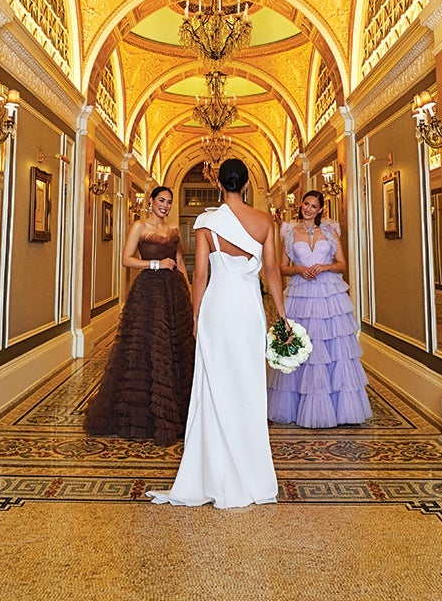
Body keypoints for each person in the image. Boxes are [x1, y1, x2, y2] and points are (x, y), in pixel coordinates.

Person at [148, 158, 291, 509]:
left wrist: (196, 316)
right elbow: (272, 270)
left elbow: (200, 275)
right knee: (248, 383)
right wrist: (282, 316)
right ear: (246, 185)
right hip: (247, 310)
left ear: (220, 185)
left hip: (217, 309)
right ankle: (251, 474)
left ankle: (211, 471)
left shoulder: (206, 223)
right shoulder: (264, 221)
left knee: (212, 385)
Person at [84, 186, 194, 446]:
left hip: (174, 293)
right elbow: (126, 259)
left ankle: (178, 411)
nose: (165, 205)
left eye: (169, 202)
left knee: (176, 349)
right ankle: (147, 414)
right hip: (148, 294)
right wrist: (155, 264)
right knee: (148, 347)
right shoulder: (139, 227)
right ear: (151, 201)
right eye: (161, 200)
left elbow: (179, 262)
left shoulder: (174, 230)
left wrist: (189, 293)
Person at [267, 191, 373, 427]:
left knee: (333, 348)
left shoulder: (331, 231)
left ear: (320, 210)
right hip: (301, 294)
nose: (308, 209)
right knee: (302, 344)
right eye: (306, 204)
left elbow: (342, 264)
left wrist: (325, 267)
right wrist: (298, 270)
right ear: (301, 205)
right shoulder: (289, 232)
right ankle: (298, 406)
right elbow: (281, 267)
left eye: (314, 206)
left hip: (329, 295)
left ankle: (338, 407)